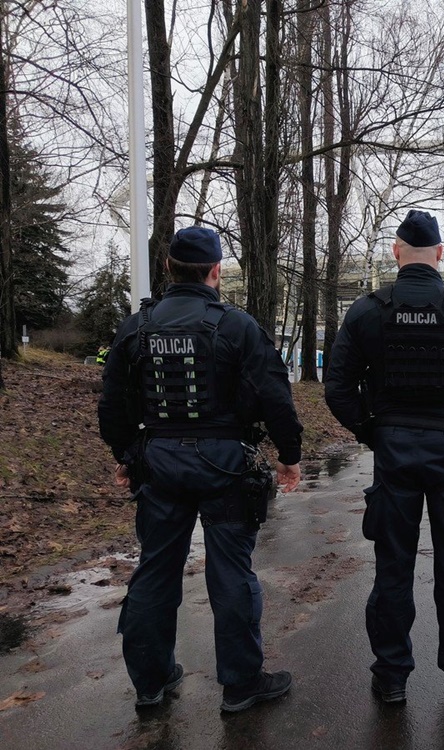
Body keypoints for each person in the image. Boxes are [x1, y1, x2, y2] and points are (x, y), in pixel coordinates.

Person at [97, 226, 303, 713]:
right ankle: (241, 683)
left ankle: (151, 682)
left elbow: (112, 401)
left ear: (169, 268)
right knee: (231, 573)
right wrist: (289, 456)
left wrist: (126, 455)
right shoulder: (236, 326)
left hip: (159, 463)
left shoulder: (137, 327)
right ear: (216, 271)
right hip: (224, 463)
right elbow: (275, 395)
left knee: (155, 570)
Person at [324, 209, 444, 703]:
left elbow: (338, 389)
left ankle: (391, 677)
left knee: (393, 567)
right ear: (440, 254)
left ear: (396, 253)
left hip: (394, 452)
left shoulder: (367, 311)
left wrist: (371, 432)